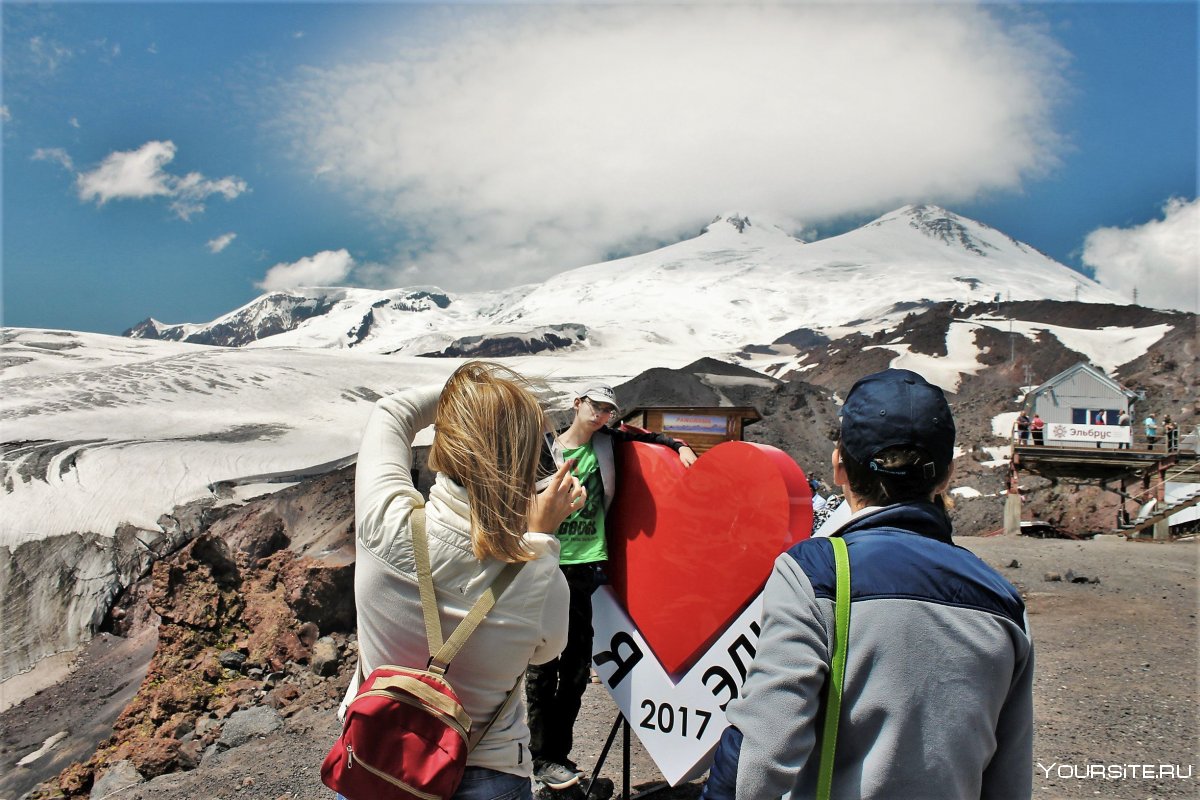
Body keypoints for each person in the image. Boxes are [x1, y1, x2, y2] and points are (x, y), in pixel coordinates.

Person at [702, 368, 1034, 800]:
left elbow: (759, 754)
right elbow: (1009, 779)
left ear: (839, 467)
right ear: (946, 475)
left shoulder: (815, 572)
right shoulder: (1002, 599)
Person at [346, 361, 585, 800]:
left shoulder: (385, 522)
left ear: (448, 441)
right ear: (528, 464)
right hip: (488, 771)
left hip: (377, 762)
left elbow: (391, 413)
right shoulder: (538, 572)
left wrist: (473, 399)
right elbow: (548, 649)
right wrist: (540, 537)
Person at [526, 381, 698, 790]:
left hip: (587, 568)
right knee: (542, 668)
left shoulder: (607, 443)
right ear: (577, 403)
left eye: (608, 411)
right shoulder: (545, 450)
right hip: (550, 563)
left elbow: (644, 436)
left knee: (575, 668)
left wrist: (678, 445)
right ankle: (540, 758)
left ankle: (558, 756)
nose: (603, 416)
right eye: (598, 407)